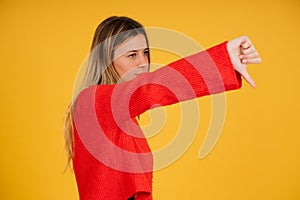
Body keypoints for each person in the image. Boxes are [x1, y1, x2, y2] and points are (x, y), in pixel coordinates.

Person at [63, 16, 261, 200]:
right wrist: (222, 59)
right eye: (131, 55)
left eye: (145, 53)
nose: (143, 63)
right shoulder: (92, 100)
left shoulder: (125, 119)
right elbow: (149, 90)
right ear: (106, 61)